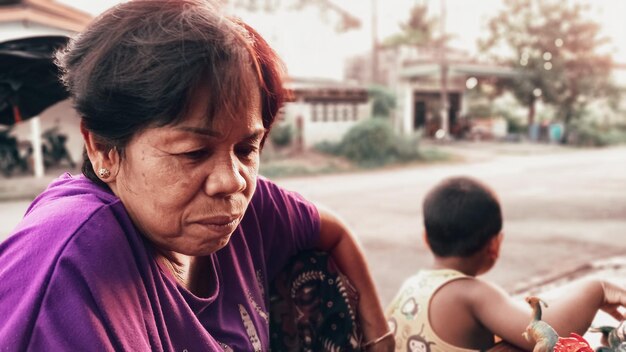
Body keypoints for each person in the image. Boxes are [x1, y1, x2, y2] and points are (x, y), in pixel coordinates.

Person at [0, 1, 393, 350]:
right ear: (103, 148)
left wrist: (379, 337)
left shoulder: (248, 209)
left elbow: (333, 231)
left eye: (246, 148)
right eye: (193, 152)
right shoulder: (71, 266)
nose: (232, 180)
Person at [385, 176, 626, 351]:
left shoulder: (413, 286)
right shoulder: (471, 294)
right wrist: (597, 289)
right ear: (494, 245)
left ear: (426, 239)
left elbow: (521, 314)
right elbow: (549, 333)